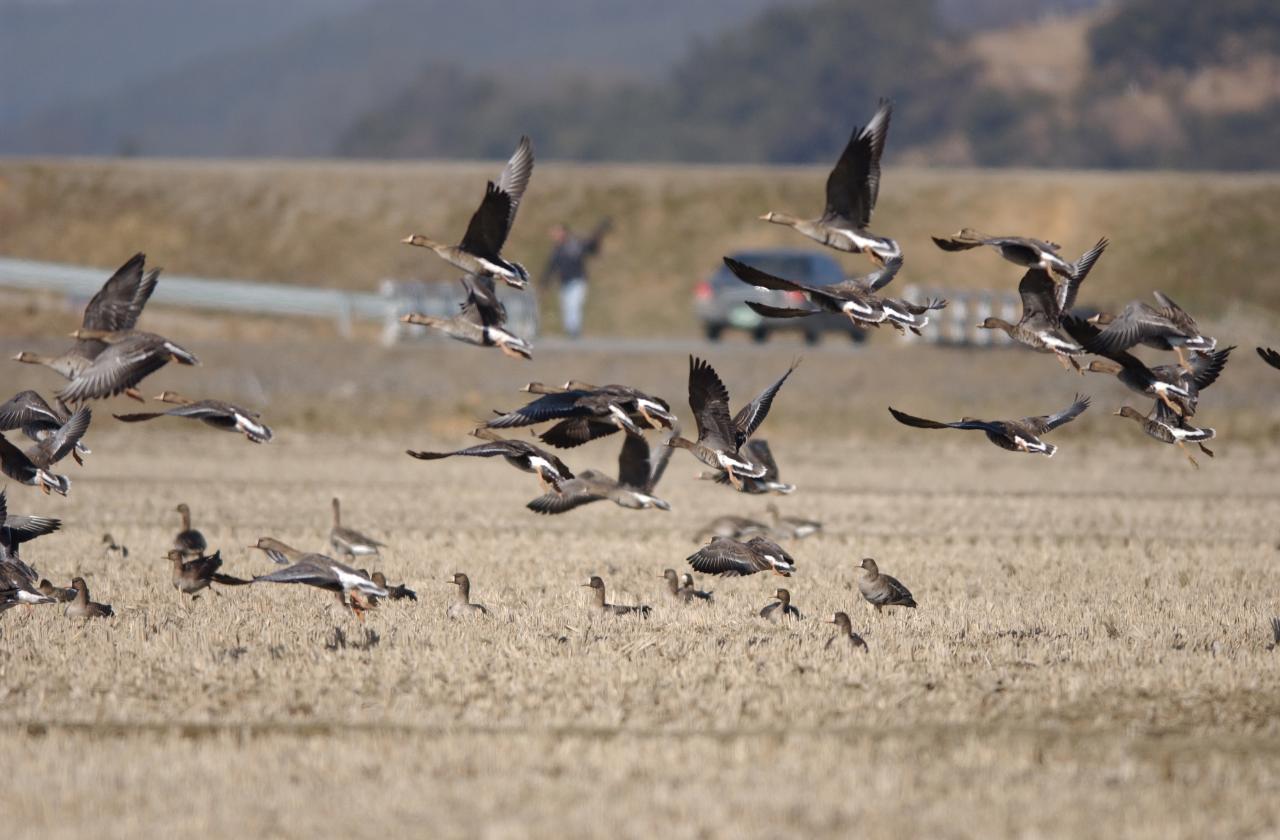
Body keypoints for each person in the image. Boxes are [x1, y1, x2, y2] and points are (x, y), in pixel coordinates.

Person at [543, 219, 610, 339]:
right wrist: (545, 283)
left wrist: (600, 232)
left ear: (564, 232)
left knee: (574, 306)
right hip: (564, 283)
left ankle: (574, 333)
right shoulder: (557, 251)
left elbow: (591, 247)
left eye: (557, 232)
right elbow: (551, 268)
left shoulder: (575, 245)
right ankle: (571, 333)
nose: (555, 235)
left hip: (578, 281)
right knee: (566, 308)